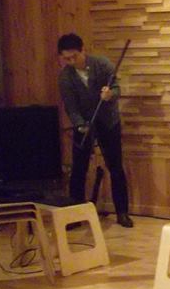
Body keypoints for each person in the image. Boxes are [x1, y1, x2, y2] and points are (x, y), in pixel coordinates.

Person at [57, 33, 133, 228]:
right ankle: (75, 215)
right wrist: (80, 124)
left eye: (74, 56)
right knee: (79, 169)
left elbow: (117, 89)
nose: (71, 61)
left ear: (83, 50)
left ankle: (122, 212)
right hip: (84, 123)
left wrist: (110, 94)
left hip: (108, 121)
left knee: (115, 167)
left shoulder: (102, 64)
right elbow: (71, 107)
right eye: (66, 58)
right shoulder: (65, 77)